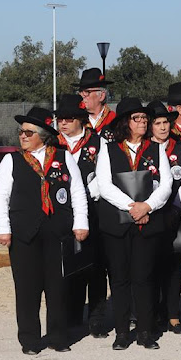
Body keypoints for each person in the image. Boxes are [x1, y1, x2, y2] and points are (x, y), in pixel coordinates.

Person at [0, 107, 89, 354]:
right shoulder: (11, 161)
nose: (23, 136)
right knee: (27, 288)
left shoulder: (63, 157)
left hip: (58, 232)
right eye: (21, 132)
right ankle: (30, 340)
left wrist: (81, 223)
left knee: (58, 287)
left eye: (28, 132)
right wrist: (2, 228)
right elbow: (1, 197)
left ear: (43, 135)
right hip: (24, 233)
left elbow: (77, 192)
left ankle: (58, 337)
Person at [96, 97, 172, 350]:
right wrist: (133, 207)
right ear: (124, 123)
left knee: (144, 278)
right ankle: (121, 332)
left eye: (144, 118)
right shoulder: (108, 150)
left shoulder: (156, 149)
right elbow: (104, 185)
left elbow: (166, 185)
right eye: (136, 118)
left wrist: (147, 206)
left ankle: (145, 331)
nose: (142, 122)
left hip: (147, 222)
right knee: (119, 279)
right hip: (117, 224)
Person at [54, 94, 109, 338]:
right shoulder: (53, 143)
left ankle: (97, 319)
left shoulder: (98, 141)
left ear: (80, 119)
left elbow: (104, 174)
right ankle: (72, 314)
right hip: (63, 211)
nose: (63, 123)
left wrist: (86, 194)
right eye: (60, 119)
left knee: (96, 265)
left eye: (68, 119)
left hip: (94, 210)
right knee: (68, 263)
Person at [146, 97, 181, 335]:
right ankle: (151, 314)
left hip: (175, 213)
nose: (163, 127)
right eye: (157, 123)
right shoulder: (143, 149)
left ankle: (173, 314)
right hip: (150, 215)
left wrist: (175, 207)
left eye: (165, 123)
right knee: (150, 266)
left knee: (174, 266)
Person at [73, 68, 116, 140]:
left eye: (87, 92)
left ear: (101, 96)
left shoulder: (115, 121)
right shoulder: (75, 120)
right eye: (80, 91)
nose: (82, 95)